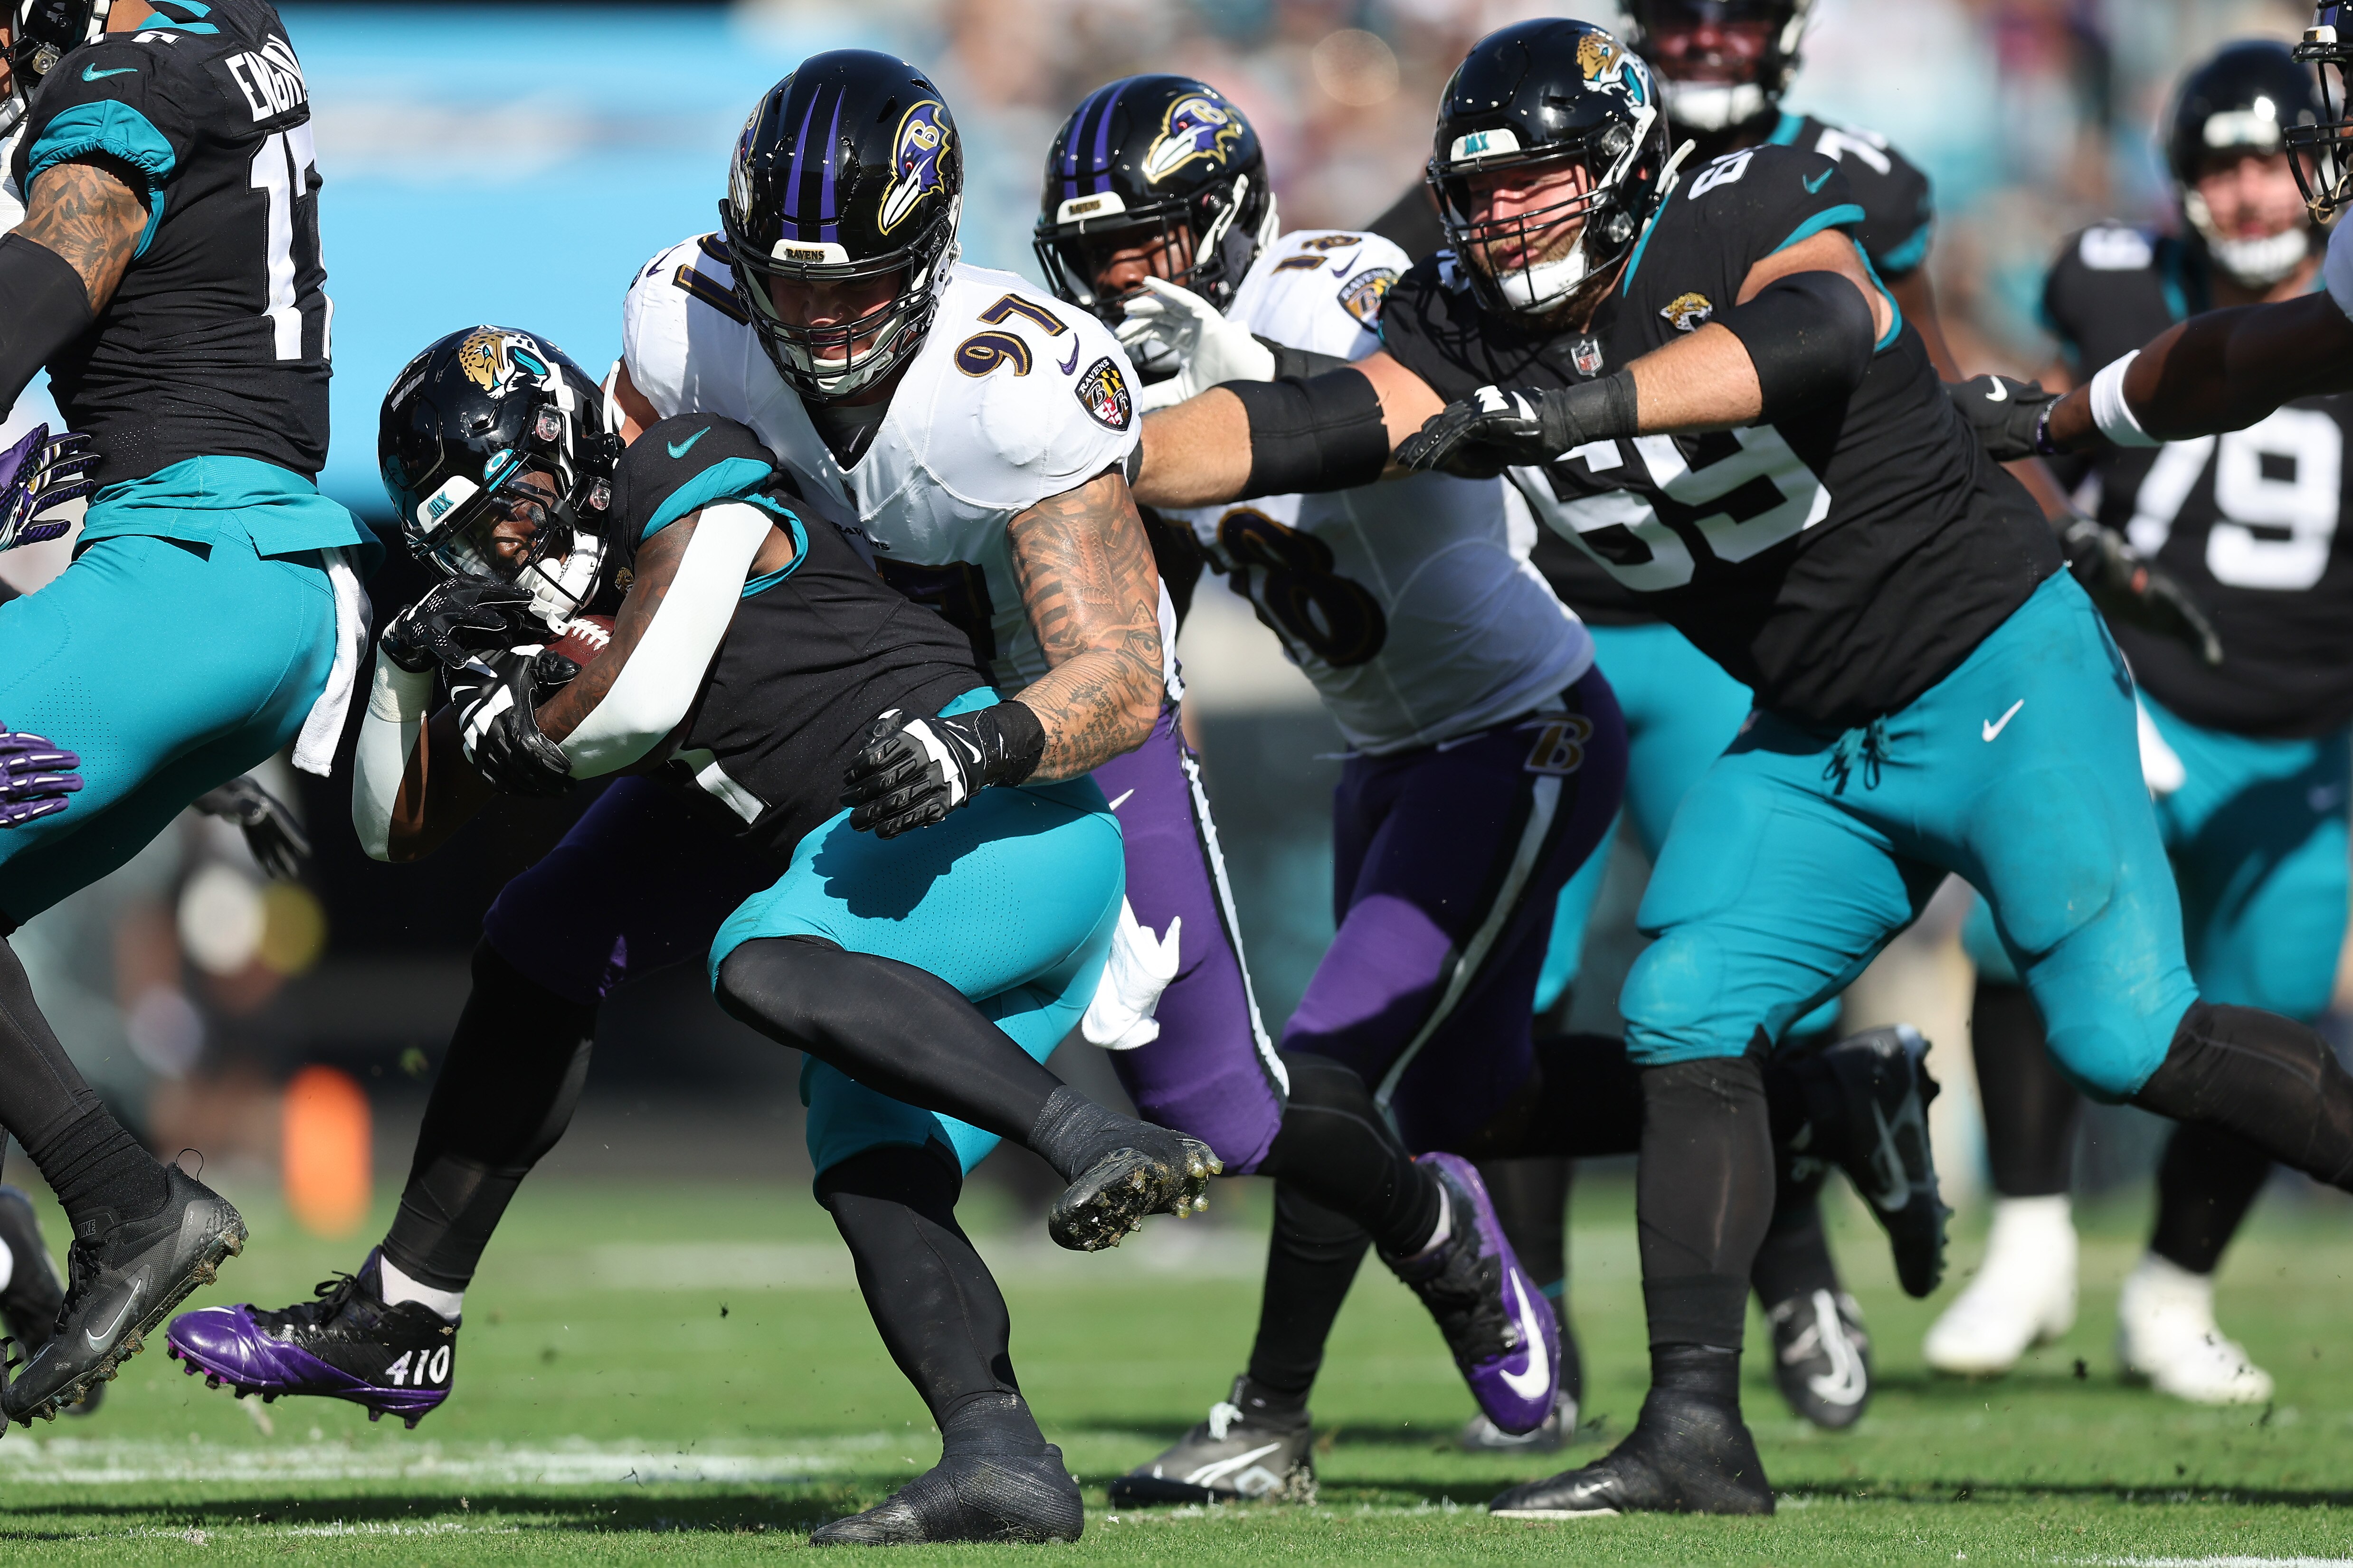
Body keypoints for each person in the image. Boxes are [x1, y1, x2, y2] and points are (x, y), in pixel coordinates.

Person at [1138, 16, 2353, 1516]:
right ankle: (1696, 1431)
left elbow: (1826, 328)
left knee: (2124, 1039)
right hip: (1817, 733)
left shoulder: (1748, 198)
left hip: (1996, 671)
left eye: (1545, 178)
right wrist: (1110, 434)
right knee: (1680, 1006)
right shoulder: (1462, 320)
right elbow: (1323, 421)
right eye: (1483, 189)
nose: (1509, 213)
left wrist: (1580, 405)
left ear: (1628, 162)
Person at [172, 327, 1209, 1544]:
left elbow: (643, 698)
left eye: (509, 508)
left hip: (987, 819)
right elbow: (393, 832)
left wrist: (523, 721)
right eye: (467, 538)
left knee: (758, 958)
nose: (504, 547)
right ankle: (1000, 1453)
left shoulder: (684, 467)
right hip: (869, 872)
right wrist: (411, 668)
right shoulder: (534, 608)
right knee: (773, 1088)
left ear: (564, 440)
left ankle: (1088, 1130)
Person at [1036, 74, 1622, 1501]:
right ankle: (1805, 1100)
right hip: (1383, 751)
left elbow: (1405, 412)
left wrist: (1245, 367)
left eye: (1153, 240)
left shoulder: (1333, 282)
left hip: (1516, 730)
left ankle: (1268, 1415)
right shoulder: (1128, 375)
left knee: (1330, 1069)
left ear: (1230, 221)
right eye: (1097, 250)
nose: (1125, 276)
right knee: (1481, 1098)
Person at [1928, 42, 2340, 1406]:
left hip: (2308, 730)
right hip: (2135, 689)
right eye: (2214, 166)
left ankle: (2175, 1288)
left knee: (2268, 1012)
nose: (2245, 194)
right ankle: (2033, 1232)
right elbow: (2036, 444)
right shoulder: (2112, 277)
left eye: (2270, 159)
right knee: (2017, 928)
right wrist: (2070, 525)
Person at [0, 0, 380, 1425]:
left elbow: (72, 241)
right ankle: (106, 1212)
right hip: (252, 596)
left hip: (181, 570)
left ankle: (86, 1216)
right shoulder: (231, 36)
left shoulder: (126, 74)